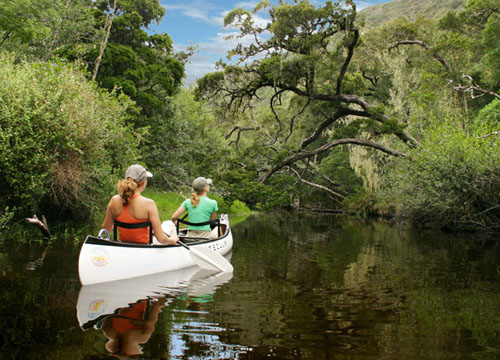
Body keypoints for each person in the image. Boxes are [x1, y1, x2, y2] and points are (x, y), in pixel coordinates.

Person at [102, 164, 178, 245]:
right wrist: (172, 240)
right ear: (144, 182)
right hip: (145, 247)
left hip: (123, 245)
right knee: (169, 224)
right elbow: (161, 239)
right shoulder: (149, 204)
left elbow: (106, 229)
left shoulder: (114, 200)